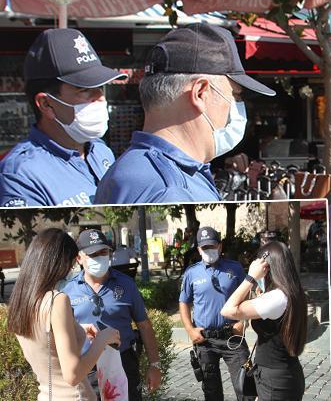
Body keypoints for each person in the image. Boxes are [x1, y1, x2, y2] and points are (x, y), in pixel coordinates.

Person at [94, 23, 276, 204]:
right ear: (200, 93)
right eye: (235, 95)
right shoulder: (171, 189)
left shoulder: (133, 168)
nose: (237, 106)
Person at [0, 29, 127, 207]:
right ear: (46, 104)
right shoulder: (20, 175)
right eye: (84, 90)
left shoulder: (100, 150)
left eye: (101, 88)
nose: (100, 97)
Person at [8, 228, 121, 400]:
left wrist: (77, 329)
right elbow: (72, 375)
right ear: (57, 263)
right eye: (70, 263)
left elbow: (45, 340)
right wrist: (103, 338)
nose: (71, 270)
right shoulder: (57, 300)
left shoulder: (22, 302)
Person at [62, 229, 161, 400]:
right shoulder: (67, 291)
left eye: (103, 251)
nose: (99, 257)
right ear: (79, 258)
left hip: (123, 363)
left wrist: (155, 365)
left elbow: (144, 325)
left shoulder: (126, 284)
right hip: (87, 367)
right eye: (92, 254)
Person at [221, 241, 308, 401]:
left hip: (275, 382)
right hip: (283, 375)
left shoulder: (276, 298)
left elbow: (228, 310)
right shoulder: (292, 292)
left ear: (268, 268)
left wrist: (251, 277)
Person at [179, 226, 249, 400]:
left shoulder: (235, 268)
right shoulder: (191, 273)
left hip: (232, 336)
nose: (209, 250)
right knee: (211, 393)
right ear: (198, 249)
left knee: (246, 387)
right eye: (205, 248)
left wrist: (243, 321)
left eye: (212, 246)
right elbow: (183, 302)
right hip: (205, 340)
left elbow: (247, 296)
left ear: (220, 246)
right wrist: (189, 330)